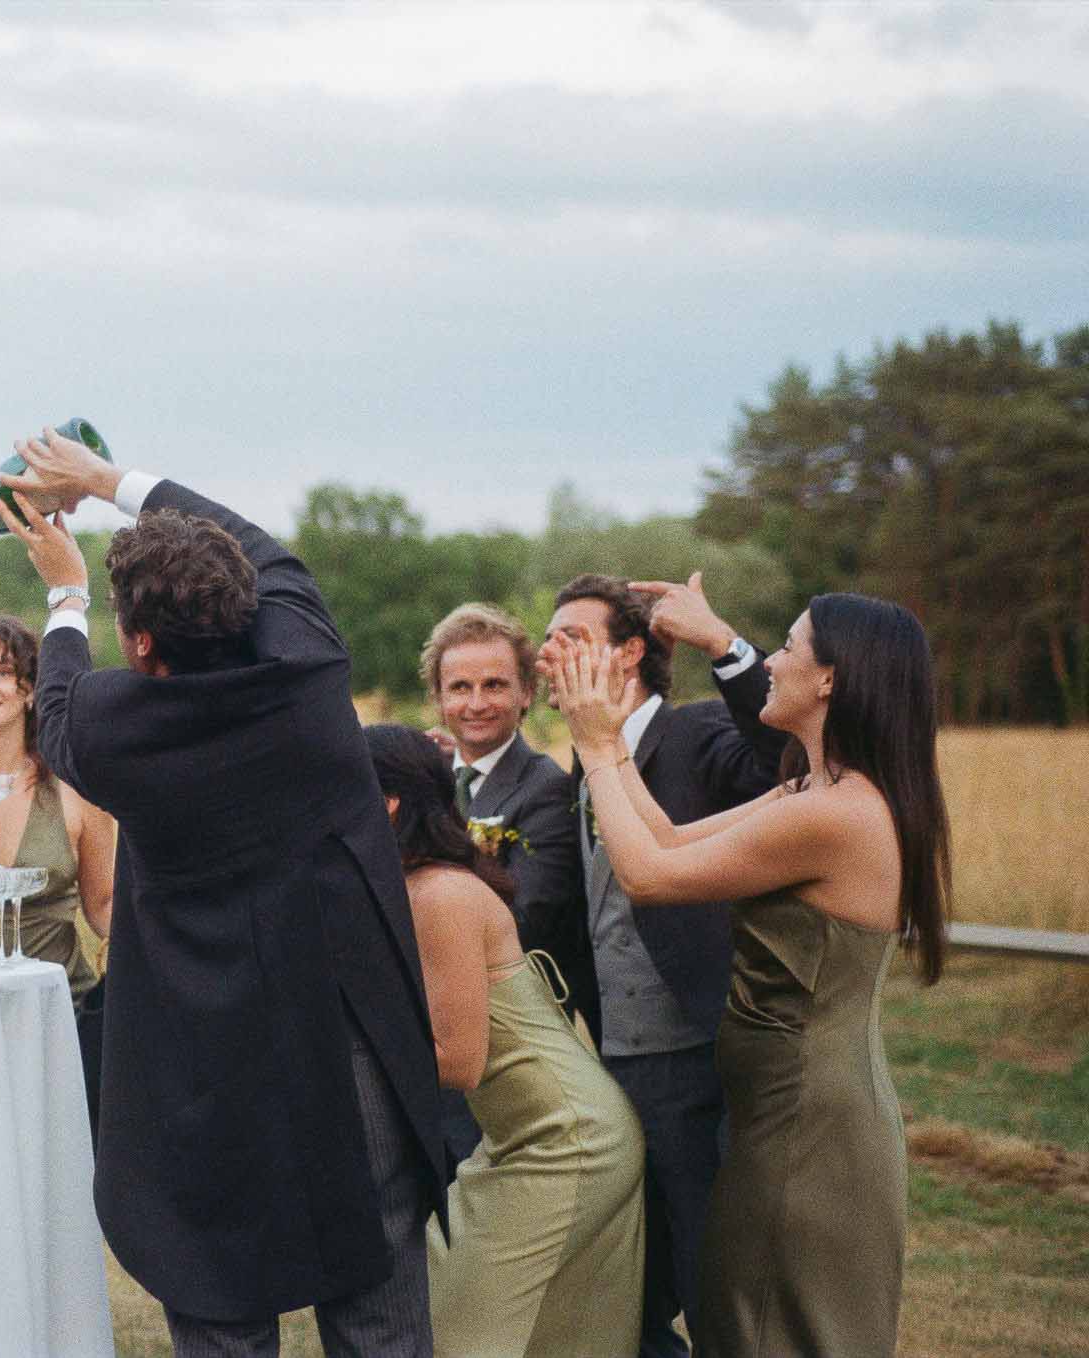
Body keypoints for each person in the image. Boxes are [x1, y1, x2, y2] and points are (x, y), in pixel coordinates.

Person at [0, 432, 447, 1357]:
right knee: (377, 1297)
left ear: (142, 639)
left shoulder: (113, 727)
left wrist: (63, 591)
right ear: (248, 606)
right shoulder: (310, 669)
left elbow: (58, 700)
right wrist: (108, 480)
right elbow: (268, 549)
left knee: (215, 1289)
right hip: (345, 1028)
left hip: (202, 1051)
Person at [548, 592, 949, 1357]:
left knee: (775, 1330)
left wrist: (596, 747)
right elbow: (664, 838)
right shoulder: (813, 791)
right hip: (783, 1111)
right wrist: (614, 746)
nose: (771, 662)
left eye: (789, 647)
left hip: (810, 1123)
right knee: (748, 1322)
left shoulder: (834, 815)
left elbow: (646, 877)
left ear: (829, 679)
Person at [536, 571, 788, 1357]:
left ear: (633, 653)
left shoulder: (698, 737)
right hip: (614, 1058)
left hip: (696, 1056)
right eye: (548, 638)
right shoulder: (580, 763)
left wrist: (726, 644)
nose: (549, 653)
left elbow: (784, 755)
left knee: (710, 1277)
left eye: (570, 637)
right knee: (625, 1288)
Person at [366, 724, 645, 1358]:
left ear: (385, 803)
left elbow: (459, 1061)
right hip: (526, 1132)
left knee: (454, 1333)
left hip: (565, 1138)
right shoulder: (416, 884)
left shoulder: (441, 894)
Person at [418, 601, 582, 1167]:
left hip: (503, 1050)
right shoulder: (424, 785)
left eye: (494, 684)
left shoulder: (545, 791)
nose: (477, 703)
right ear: (437, 698)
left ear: (526, 693)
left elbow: (528, 918)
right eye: (459, 687)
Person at [0, 615, 114, 998]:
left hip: (60, 1008)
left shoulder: (73, 790)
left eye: (3, 672)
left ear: (30, 690)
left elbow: (103, 908)